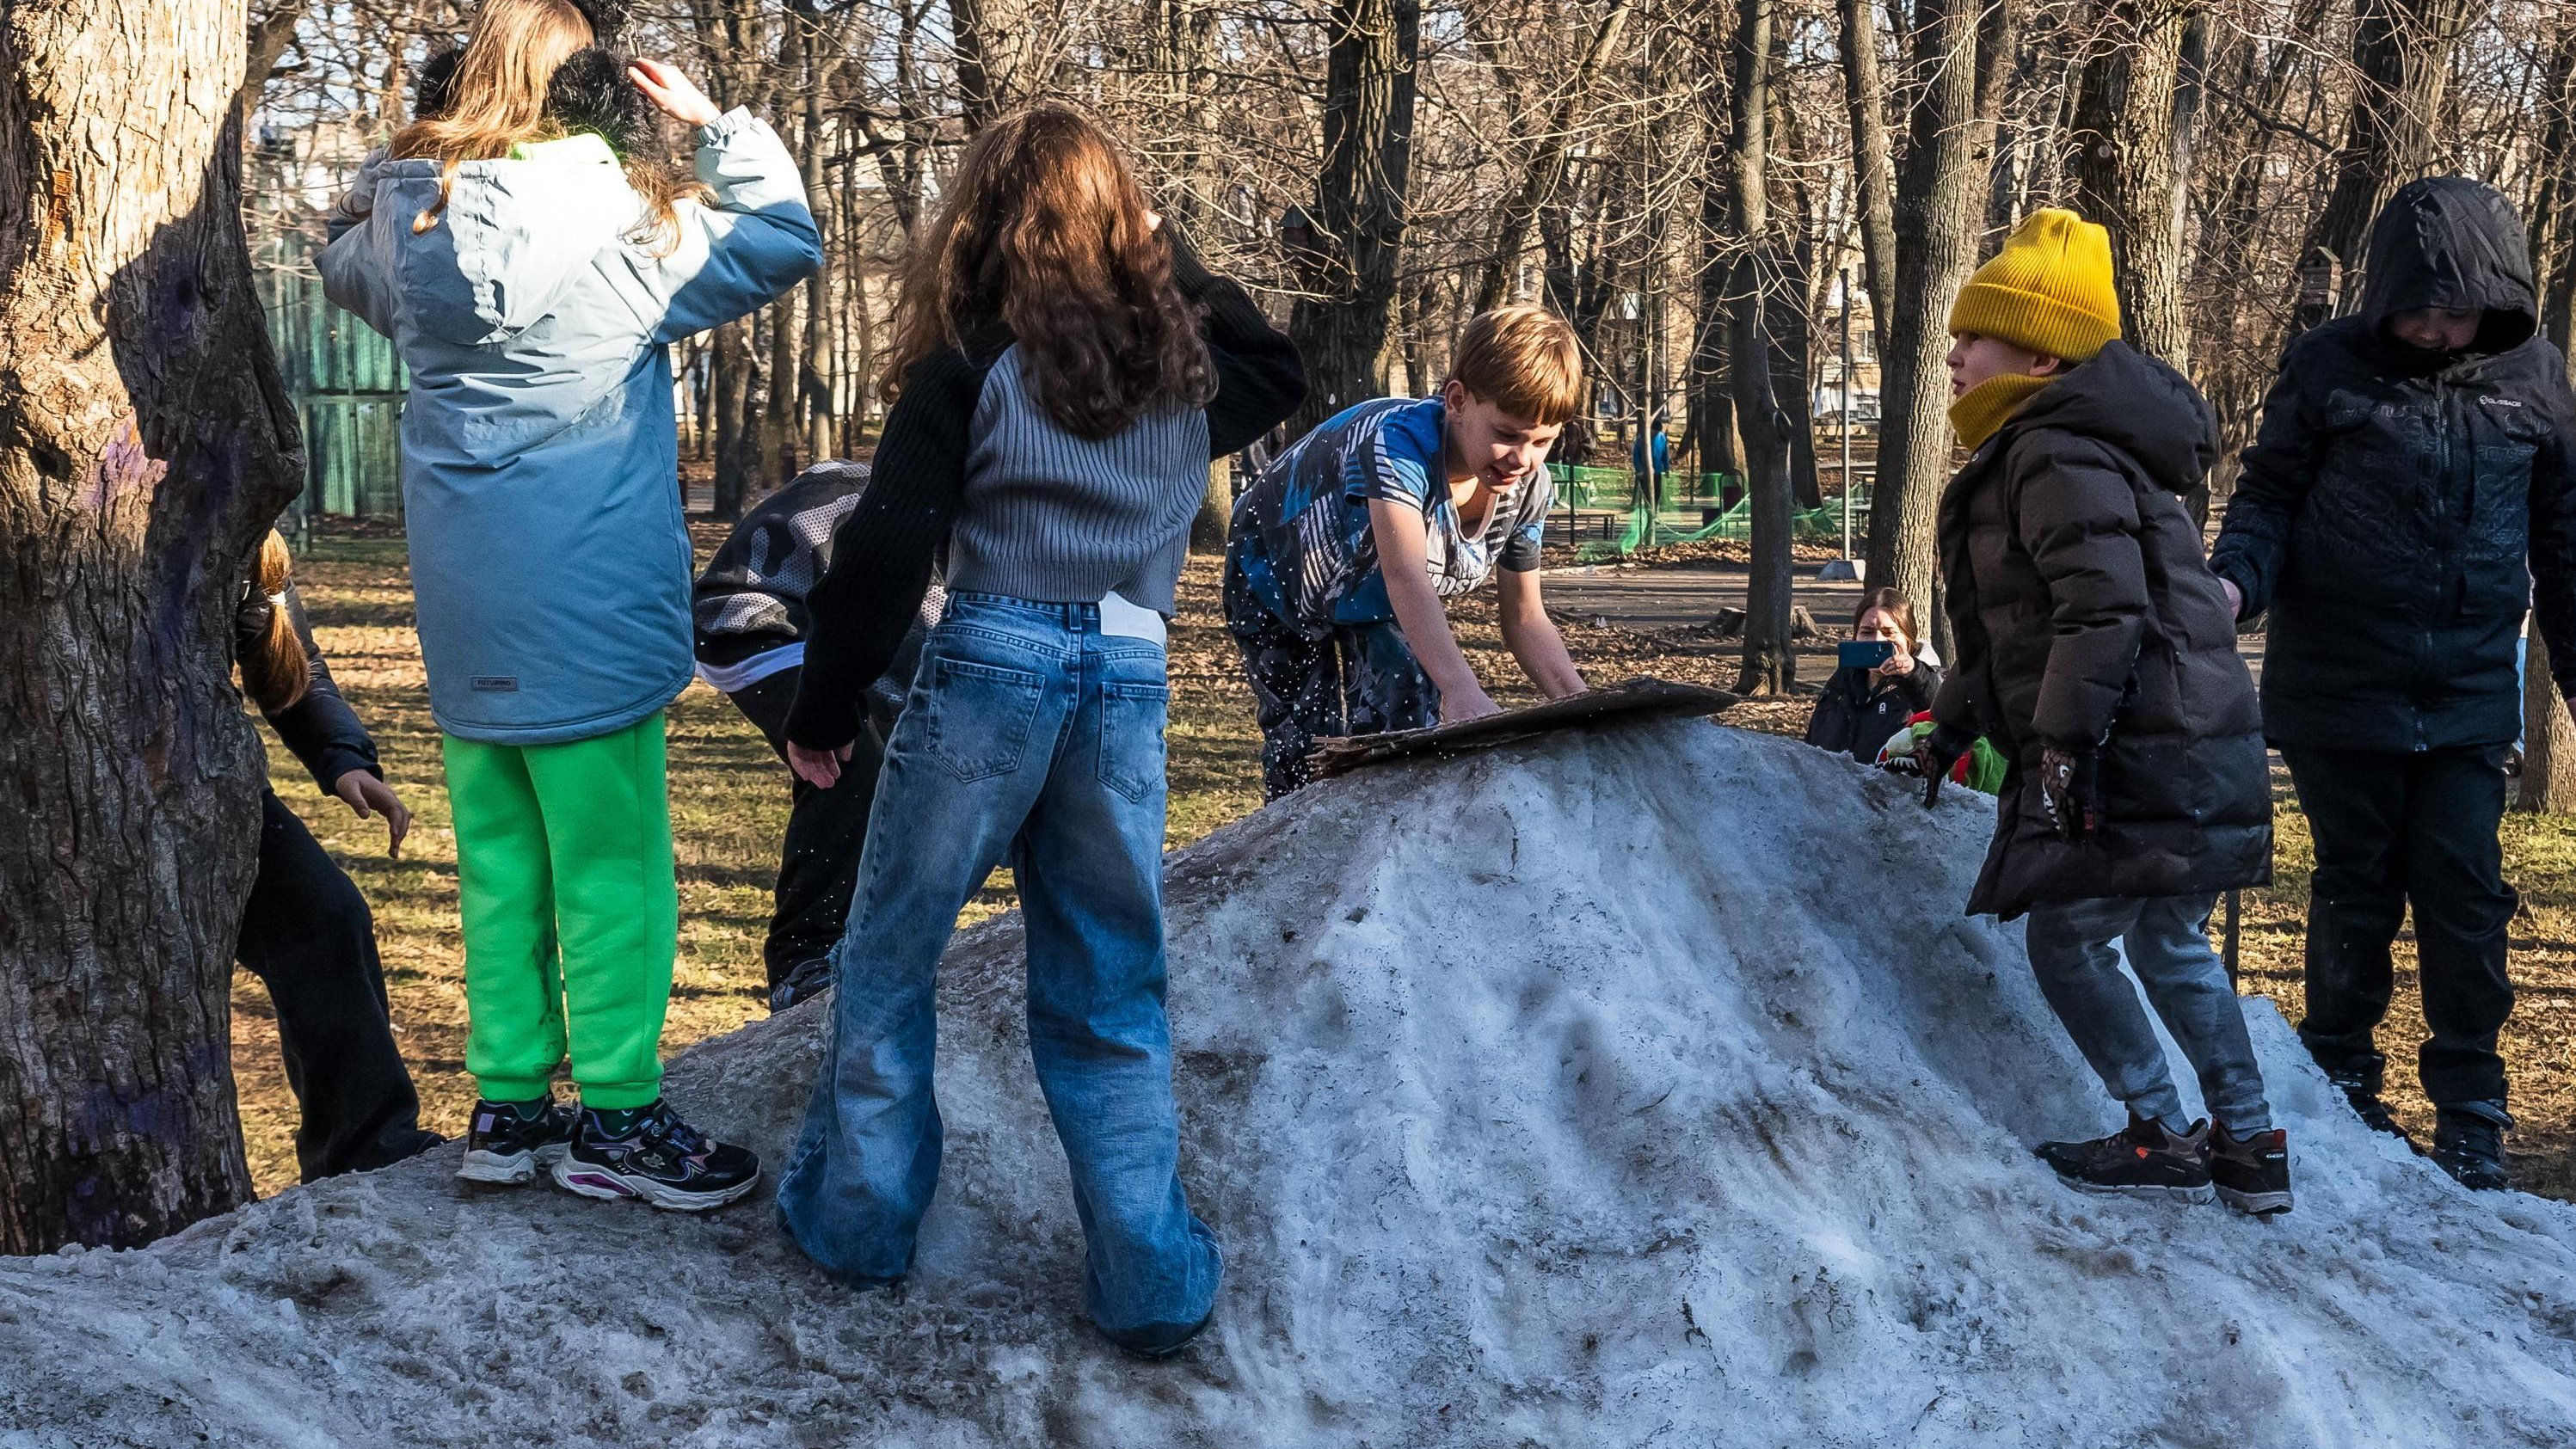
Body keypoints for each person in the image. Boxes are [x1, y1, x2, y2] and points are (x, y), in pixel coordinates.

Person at [771, 107, 1306, 1356]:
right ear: (1126, 223)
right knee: (1109, 983)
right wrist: (1166, 265)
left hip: (991, 666)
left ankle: (858, 1226)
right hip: (1127, 673)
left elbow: (887, 543)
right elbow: (1274, 366)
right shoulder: (1177, 366)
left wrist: (825, 703)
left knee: (892, 953)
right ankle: (1150, 1285)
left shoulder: (972, 359)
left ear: (982, 221)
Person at [320, 0, 820, 1210]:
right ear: (591, 90)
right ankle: (620, 1116)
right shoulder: (634, 242)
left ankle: (508, 1106)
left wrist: (402, 161)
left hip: (466, 608)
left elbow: (338, 252)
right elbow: (789, 235)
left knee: (497, 859)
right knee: (610, 866)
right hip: (587, 604)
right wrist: (710, 134)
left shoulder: (407, 237)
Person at [2209, 177, 2576, 1192]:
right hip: (2341, 685)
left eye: (2452, 309)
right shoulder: (2329, 364)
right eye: (2414, 305)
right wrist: (2235, 579)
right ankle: (2340, 1077)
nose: (2429, 326)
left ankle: (2471, 1106)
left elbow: (2564, 538)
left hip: (2463, 690)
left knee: (2462, 894)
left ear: (2494, 297)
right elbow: (2269, 495)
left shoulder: (2535, 378)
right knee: (2353, 886)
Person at [1919, 208, 2287, 1213]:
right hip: (2188, 746)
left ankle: (2159, 1129)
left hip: (2135, 749)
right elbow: (2009, 634)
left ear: (2037, 359)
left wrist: (2060, 746)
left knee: (2068, 938)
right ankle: (2251, 1149)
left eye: (1972, 338)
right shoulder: (2077, 450)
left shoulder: (2048, 455)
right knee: (2168, 939)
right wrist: (1949, 728)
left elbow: (2100, 611)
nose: (1952, 356)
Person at [1223, 305, 1592, 799]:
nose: (1521, 459)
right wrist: (1463, 692)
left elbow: (1525, 618)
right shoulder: (1398, 448)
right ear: (1457, 401)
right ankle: (1300, 861)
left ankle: (1386, 855)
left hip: (1370, 597)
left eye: (1542, 441)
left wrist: (1585, 710)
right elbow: (1405, 575)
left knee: (1407, 705)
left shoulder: (1529, 489)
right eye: (1506, 434)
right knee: (1306, 748)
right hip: (1273, 577)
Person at [692, 460, 941, 1012]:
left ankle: (870, 942)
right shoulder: (869, 491)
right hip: (755, 625)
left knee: (910, 788)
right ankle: (802, 957)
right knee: (845, 756)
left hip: (858, 655)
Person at [234, 531, 444, 1182]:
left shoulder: (242, 525)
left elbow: (289, 662)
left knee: (328, 919)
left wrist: (342, 756)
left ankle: (365, 1152)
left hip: (203, 782)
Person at [1804, 587, 1945, 766]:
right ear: (1856, 637)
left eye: (1889, 632)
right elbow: (1811, 746)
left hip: (1893, 793)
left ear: (1908, 638)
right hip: (1833, 790)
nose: (1877, 640)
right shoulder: (1839, 684)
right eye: (1867, 632)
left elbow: (1943, 717)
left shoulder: (1928, 681)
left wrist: (1912, 674)